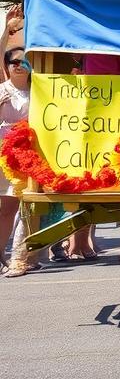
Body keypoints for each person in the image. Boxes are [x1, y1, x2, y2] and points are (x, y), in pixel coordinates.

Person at [0, 47, 31, 275]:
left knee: (28, 207)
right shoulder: (2, 91)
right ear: (7, 66)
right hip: (4, 156)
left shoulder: (39, 90)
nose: (18, 65)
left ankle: (19, 257)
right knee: (5, 208)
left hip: (31, 153)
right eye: (13, 62)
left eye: (23, 61)